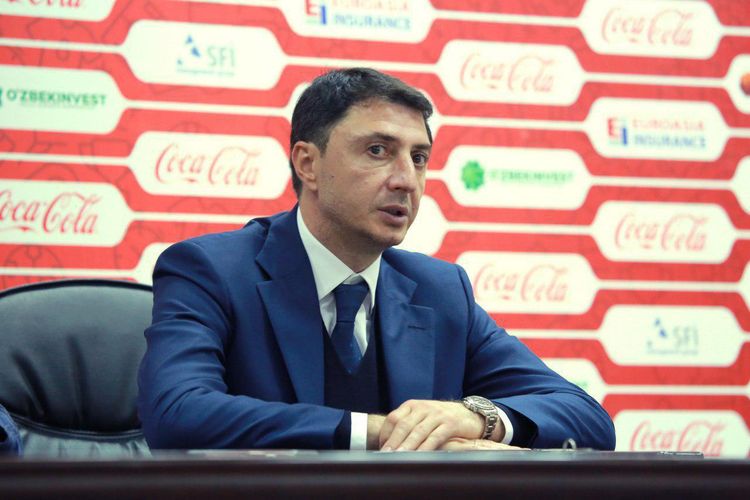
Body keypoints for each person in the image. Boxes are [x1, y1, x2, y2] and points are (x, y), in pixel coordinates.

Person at [138, 67, 615, 451]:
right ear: (308, 163)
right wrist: (385, 431)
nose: (406, 180)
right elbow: (177, 413)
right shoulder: (211, 270)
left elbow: (587, 418)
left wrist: (475, 419)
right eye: (378, 150)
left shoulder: (440, 290)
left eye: (419, 158)